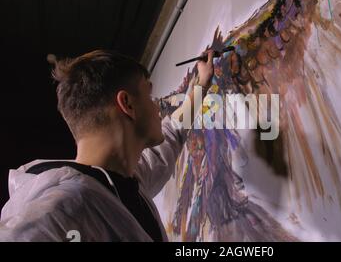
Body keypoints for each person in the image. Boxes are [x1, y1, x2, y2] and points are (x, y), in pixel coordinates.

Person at [0, 49, 214, 241]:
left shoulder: (122, 184)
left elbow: (171, 135)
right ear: (127, 104)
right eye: (149, 96)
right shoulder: (64, 209)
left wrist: (201, 86)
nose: (157, 106)